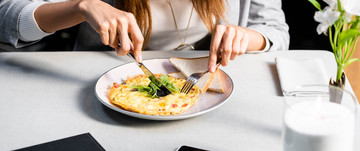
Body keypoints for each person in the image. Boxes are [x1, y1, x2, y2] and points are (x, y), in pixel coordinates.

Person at [0, 0, 289, 72]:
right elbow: (6, 18)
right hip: (101, 79)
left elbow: (276, 31)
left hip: (208, 79)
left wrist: (249, 38)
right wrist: (80, 7)